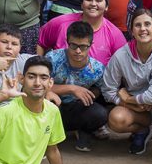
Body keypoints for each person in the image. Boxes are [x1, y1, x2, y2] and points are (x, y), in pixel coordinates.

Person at [101, 8, 152, 162]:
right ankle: (143, 130)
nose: (143, 29)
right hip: (137, 110)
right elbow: (107, 89)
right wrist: (125, 103)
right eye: (138, 25)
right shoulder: (121, 55)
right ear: (131, 31)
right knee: (116, 119)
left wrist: (128, 99)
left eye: (147, 24)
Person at [46, 21, 109, 152]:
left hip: (76, 108)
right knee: (46, 99)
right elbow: (38, 85)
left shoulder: (97, 69)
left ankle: (83, 130)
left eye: (83, 46)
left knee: (100, 114)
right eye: (73, 45)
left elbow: (101, 89)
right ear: (67, 41)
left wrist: (90, 95)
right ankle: (44, 139)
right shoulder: (52, 59)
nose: (78, 51)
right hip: (53, 105)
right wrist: (72, 89)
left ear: (91, 45)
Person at [37, 0, 126, 65]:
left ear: (106, 6)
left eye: (98, 0)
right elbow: (40, 41)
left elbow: (123, 64)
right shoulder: (61, 23)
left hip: (96, 81)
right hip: (57, 80)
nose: (93, 4)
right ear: (82, 4)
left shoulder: (114, 34)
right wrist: (40, 68)